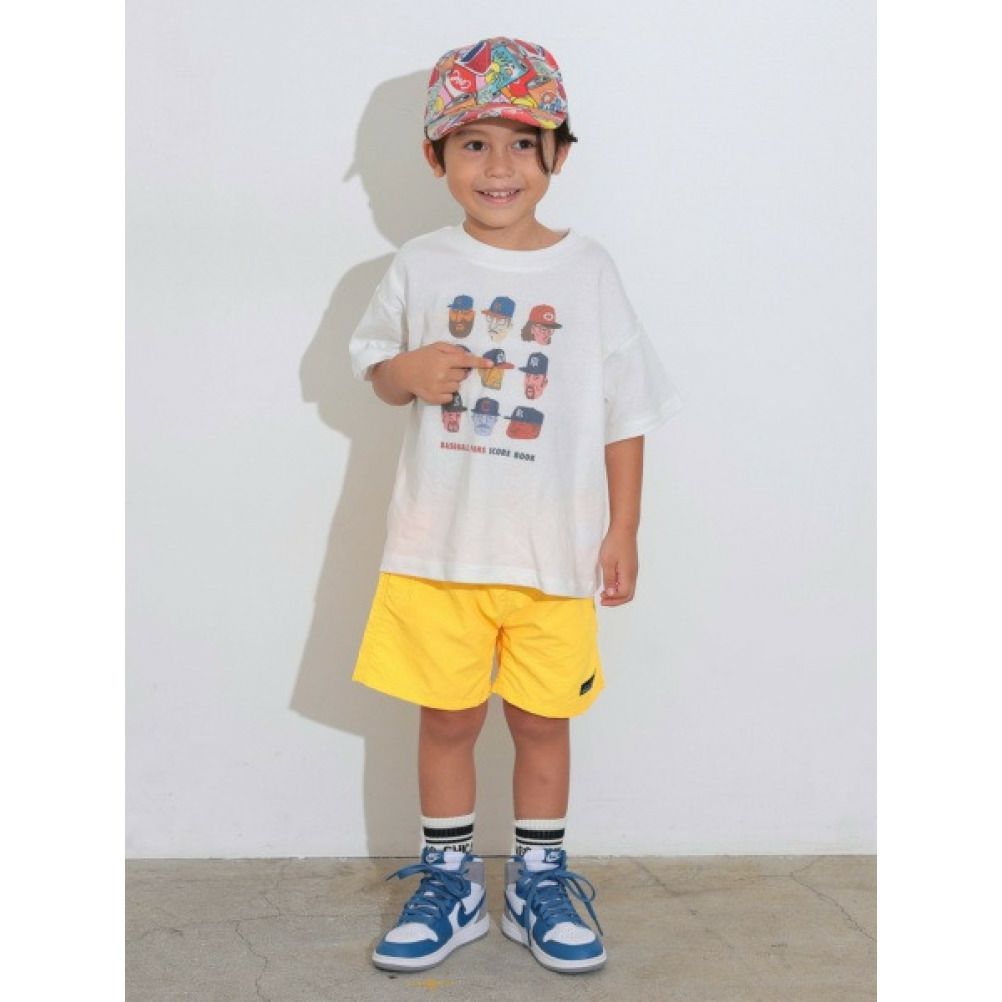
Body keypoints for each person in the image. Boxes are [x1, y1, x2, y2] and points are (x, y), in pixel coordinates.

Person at [347, 35, 682, 975]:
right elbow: (374, 366)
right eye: (474, 144)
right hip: (438, 549)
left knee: (542, 720)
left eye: (523, 144)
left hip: (553, 553)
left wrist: (624, 528)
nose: (499, 166)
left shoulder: (589, 269)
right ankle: (449, 881)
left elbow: (627, 410)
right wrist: (406, 372)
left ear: (558, 155)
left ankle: (540, 879)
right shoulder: (419, 263)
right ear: (437, 158)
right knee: (447, 719)